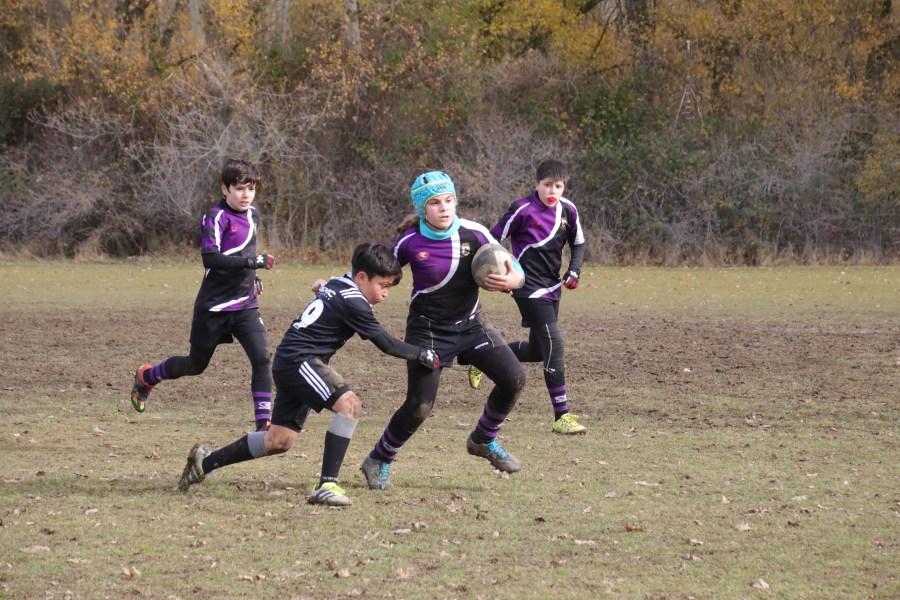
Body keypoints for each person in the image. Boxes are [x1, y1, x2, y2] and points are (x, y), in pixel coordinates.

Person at [177, 242, 440, 506]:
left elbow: (326, 287)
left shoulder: (339, 283)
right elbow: (387, 344)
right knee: (349, 406)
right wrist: (423, 354)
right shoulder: (354, 302)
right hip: (300, 361)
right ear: (362, 277)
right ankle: (327, 485)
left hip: (291, 360)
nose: (385, 293)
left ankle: (205, 461)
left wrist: (322, 286)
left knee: (278, 441)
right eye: (382, 285)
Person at [359, 171, 527, 492]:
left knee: (514, 379)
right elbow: (378, 270)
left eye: (449, 200)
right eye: (435, 203)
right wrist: (344, 288)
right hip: (428, 331)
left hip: (472, 325)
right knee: (420, 405)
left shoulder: (475, 233)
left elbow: (514, 268)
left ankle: (483, 439)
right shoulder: (410, 242)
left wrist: (513, 280)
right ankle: (378, 459)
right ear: (423, 209)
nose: (444, 207)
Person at [130, 158, 277, 432]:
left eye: (251, 188)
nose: (246, 195)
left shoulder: (253, 215)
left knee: (261, 358)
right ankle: (147, 376)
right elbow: (211, 258)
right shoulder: (215, 217)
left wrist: (253, 275)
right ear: (225, 189)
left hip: (244, 304)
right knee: (195, 365)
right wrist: (253, 263)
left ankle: (263, 426)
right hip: (213, 307)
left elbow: (244, 251)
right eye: (239, 188)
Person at [470, 159, 587, 435]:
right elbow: (491, 240)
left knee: (538, 350)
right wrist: (503, 274)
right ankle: (561, 416)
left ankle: (483, 356)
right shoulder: (522, 209)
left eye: (558, 186)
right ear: (537, 184)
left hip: (552, 287)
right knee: (554, 344)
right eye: (547, 185)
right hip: (527, 286)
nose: (552, 191)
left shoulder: (568, 210)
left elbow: (578, 243)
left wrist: (574, 270)